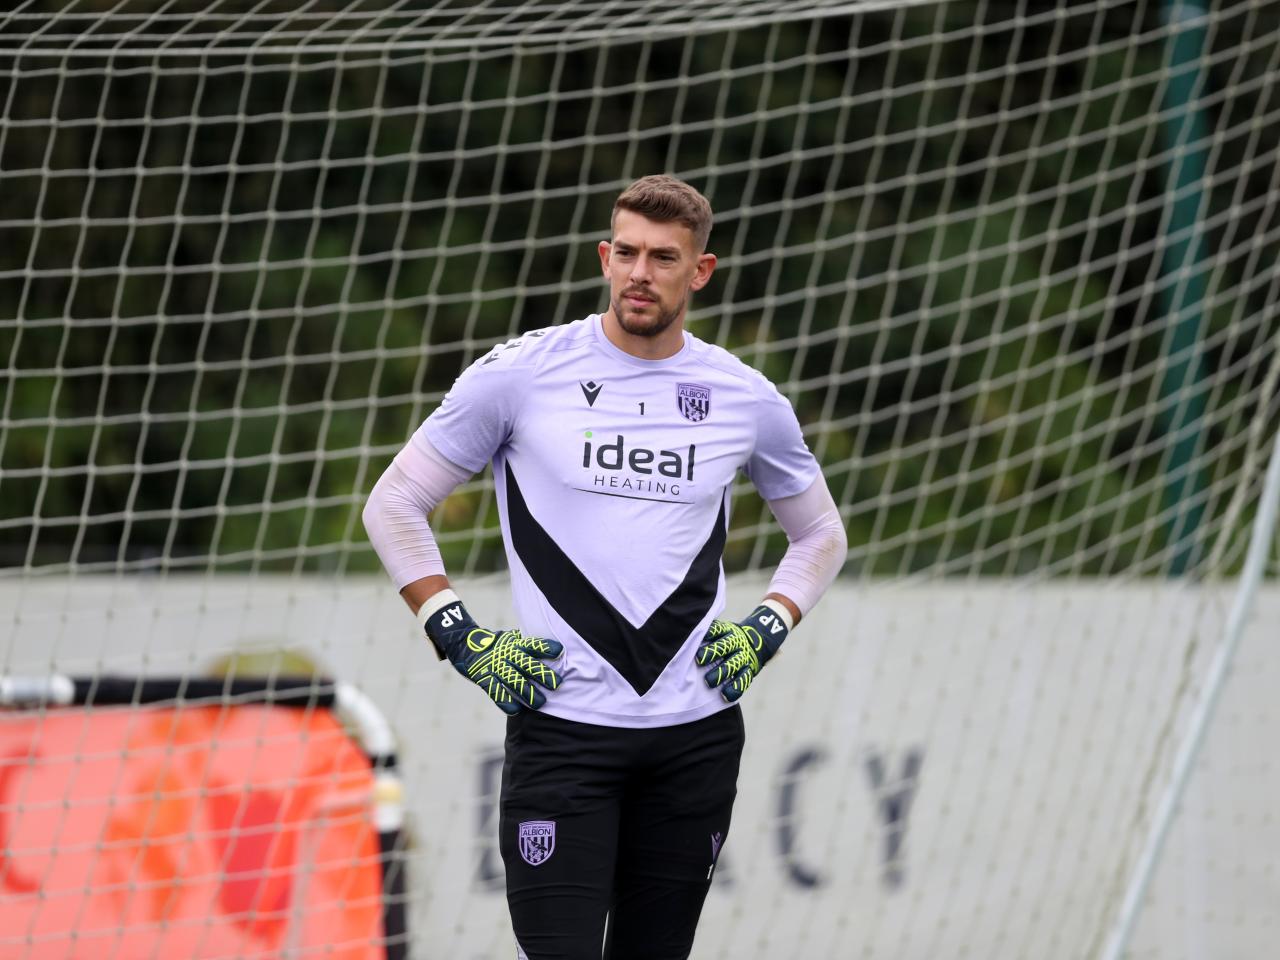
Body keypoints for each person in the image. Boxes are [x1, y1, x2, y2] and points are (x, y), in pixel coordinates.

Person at [363, 175, 847, 960]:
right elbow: (393, 504)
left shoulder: (745, 397)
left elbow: (822, 533)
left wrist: (769, 624)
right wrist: (459, 636)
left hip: (695, 739)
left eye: (663, 258)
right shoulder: (519, 375)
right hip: (562, 735)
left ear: (701, 271)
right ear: (603, 256)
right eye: (625, 253)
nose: (639, 274)